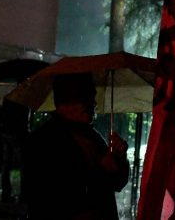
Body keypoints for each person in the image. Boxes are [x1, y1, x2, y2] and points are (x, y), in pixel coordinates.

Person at [23, 73, 129, 220]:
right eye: (86, 98)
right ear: (63, 102)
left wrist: (119, 158)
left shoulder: (92, 135)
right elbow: (56, 197)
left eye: (92, 98)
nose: (93, 104)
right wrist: (101, 170)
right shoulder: (43, 141)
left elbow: (117, 183)